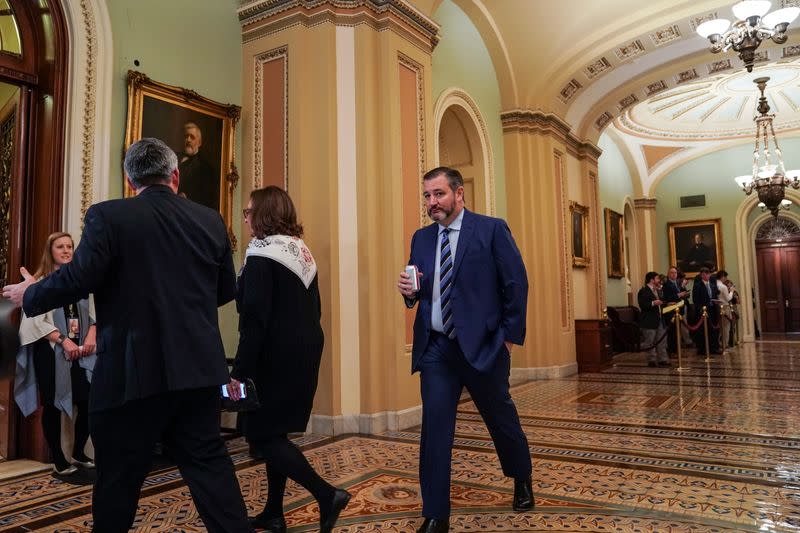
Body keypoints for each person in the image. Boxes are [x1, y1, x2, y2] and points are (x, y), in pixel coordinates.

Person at [2, 138, 252, 533]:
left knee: (118, 480)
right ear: (175, 175)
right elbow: (224, 291)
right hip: (199, 370)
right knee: (211, 472)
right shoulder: (211, 219)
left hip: (130, 374)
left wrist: (28, 293)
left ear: (130, 179)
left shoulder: (109, 216)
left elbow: (79, 278)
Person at [397, 167, 532, 533]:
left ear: (459, 194)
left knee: (500, 418)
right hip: (437, 348)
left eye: (438, 194)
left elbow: (516, 285)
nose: (432, 203)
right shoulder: (422, 238)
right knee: (435, 427)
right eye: (426, 196)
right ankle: (435, 514)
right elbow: (423, 290)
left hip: (484, 346)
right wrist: (410, 293)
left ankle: (521, 476)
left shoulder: (490, 230)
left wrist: (506, 338)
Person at [227, 186, 350, 533]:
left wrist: (240, 373)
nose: (246, 217)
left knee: (263, 436)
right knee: (275, 432)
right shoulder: (299, 251)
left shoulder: (263, 255)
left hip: (273, 357)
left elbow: (255, 319)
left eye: (250, 211)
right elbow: (317, 309)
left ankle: (327, 495)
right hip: (303, 351)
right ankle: (274, 513)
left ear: (264, 214)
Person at [14, 232, 96, 476]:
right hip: (51, 351)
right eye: (60, 246)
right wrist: (63, 341)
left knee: (89, 401)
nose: (66, 250)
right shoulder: (40, 282)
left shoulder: (82, 281)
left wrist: (91, 335)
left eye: (70, 246)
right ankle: (59, 460)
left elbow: (95, 314)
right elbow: (33, 321)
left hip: (82, 350)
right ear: (50, 252)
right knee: (53, 404)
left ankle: (78, 452)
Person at [177, 121, 218, 209]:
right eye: (186, 136)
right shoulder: (172, 159)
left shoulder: (206, 169)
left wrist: (187, 199)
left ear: (199, 143)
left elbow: (207, 201)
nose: (188, 140)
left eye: (192, 137)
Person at [637, 272, 669, 367]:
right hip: (649, 320)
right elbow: (642, 305)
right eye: (657, 278)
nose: (659, 280)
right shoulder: (643, 291)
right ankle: (652, 360)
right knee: (650, 341)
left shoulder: (658, 290)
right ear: (651, 280)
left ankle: (662, 359)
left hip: (659, 319)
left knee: (661, 340)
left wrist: (666, 304)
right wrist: (653, 303)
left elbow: (661, 301)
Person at [691, 267, 721, 355]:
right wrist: (700, 309)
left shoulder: (712, 285)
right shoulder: (698, 285)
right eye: (704, 274)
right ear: (701, 275)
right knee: (703, 330)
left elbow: (715, 296)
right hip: (702, 311)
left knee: (713, 330)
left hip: (712, 310)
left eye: (707, 274)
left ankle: (714, 347)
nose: (706, 276)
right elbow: (695, 299)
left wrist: (716, 301)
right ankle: (702, 349)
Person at [662, 266, 689, 354]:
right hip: (670, 310)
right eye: (672, 273)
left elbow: (682, 294)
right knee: (672, 332)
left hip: (679, 309)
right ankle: (672, 350)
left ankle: (677, 349)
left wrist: (684, 292)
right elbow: (666, 298)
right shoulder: (666, 285)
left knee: (677, 331)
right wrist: (678, 295)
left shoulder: (677, 283)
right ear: (668, 274)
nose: (674, 274)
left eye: (675, 273)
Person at [715, 270, 735, 351]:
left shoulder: (714, 284)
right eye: (726, 277)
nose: (726, 279)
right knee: (726, 327)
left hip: (718, 307)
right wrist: (732, 291)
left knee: (720, 327)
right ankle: (725, 344)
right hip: (725, 307)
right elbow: (728, 298)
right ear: (723, 276)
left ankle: (719, 344)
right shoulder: (723, 286)